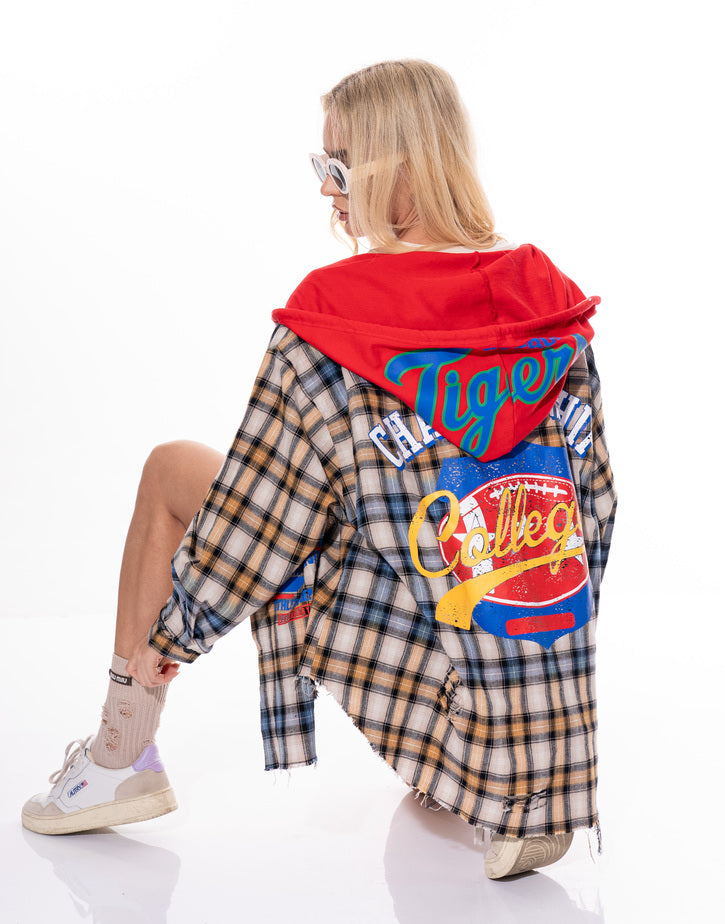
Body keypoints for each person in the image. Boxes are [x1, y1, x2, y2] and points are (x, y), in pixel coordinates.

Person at [21, 60, 616, 880]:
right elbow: (593, 509)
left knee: (170, 472)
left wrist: (177, 633)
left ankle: (119, 756)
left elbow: (259, 516)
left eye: (338, 166)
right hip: (536, 690)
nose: (327, 190)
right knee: (419, 533)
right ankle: (495, 780)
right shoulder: (547, 298)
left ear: (398, 167)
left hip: (409, 638)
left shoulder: (333, 315)